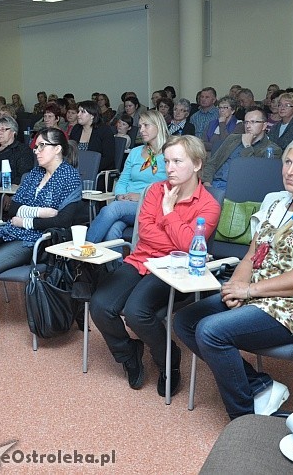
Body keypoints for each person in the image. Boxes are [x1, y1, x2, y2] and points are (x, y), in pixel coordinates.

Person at [174, 135, 293, 420]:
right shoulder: (278, 205)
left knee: (211, 331)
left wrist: (250, 291)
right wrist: (235, 288)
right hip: (261, 295)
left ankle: (243, 417)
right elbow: (251, 256)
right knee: (185, 320)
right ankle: (259, 385)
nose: (290, 170)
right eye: (287, 162)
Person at [89, 135, 220, 397]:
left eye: (177, 161)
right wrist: (175, 236)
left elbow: (189, 246)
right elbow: (145, 233)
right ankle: (128, 353)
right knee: (100, 306)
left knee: (137, 313)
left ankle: (168, 361)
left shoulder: (209, 205)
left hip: (172, 270)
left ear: (196, 164)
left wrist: (169, 212)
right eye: (167, 161)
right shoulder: (155, 190)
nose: (169, 168)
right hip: (141, 259)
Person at [0, 128, 84, 370]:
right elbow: (11, 210)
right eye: (36, 146)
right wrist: (39, 212)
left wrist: (27, 218)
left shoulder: (69, 177)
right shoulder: (32, 175)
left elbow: (62, 221)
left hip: (36, 239)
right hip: (10, 229)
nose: (36, 151)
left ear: (58, 149)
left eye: (42, 146)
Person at [87, 111, 170, 243]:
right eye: (140, 126)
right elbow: (123, 180)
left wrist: (142, 196)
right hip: (126, 203)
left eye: (146, 126)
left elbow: (171, 187)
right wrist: (120, 195)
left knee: (113, 209)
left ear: (158, 126)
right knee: (113, 230)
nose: (141, 130)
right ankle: (117, 264)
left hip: (152, 205)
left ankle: (84, 251)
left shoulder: (169, 154)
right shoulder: (136, 152)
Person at [202, 107, 282, 190]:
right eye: (246, 122)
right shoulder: (233, 139)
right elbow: (212, 163)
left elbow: (257, 176)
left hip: (240, 189)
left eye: (253, 122)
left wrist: (247, 146)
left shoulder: (272, 150)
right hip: (213, 184)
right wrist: (207, 183)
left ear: (264, 126)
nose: (248, 126)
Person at [0, 116, 34, 184]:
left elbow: (22, 177)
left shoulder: (22, 150)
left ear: (13, 131)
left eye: (3, 129)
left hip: (6, 190)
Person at [69, 100, 115, 171]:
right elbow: (70, 153)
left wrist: (89, 168)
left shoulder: (104, 131)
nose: (78, 115)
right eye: (78, 111)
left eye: (83, 112)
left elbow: (108, 158)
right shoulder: (76, 129)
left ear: (92, 116)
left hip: (97, 170)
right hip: (76, 169)